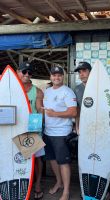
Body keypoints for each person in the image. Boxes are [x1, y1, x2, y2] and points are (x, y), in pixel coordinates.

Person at [43, 65, 77, 200]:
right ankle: (59, 182)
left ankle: (66, 191)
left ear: (63, 76)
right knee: (52, 160)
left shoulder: (68, 92)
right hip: (48, 132)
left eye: (59, 75)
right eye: (54, 75)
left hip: (62, 133)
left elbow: (73, 112)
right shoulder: (47, 91)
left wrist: (54, 114)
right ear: (50, 77)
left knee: (63, 162)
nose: (56, 77)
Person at [17, 61, 45, 200]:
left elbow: (39, 108)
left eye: (29, 73)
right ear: (18, 72)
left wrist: (43, 112)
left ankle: (38, 184)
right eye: (24, 72)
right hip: (15, 129)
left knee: (37, 158)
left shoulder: (37, 91)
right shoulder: (11, 88)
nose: (27, 75)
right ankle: (20, 183)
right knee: (18, 158)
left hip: (32, 129)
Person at [74, 61, 91, 134]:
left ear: (91, 72)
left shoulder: (101, 87)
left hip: (101, 124)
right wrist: (77, 127)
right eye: (79, 72)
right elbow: (77, 110)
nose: (82, 74)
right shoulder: (77, 89)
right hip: (84, 126)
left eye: (84, 71)